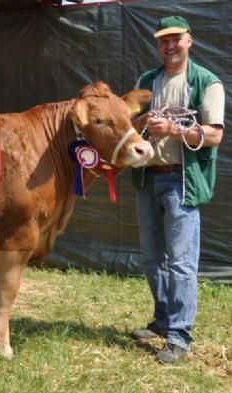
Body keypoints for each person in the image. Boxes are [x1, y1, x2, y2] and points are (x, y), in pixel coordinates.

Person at [131, 16, 225, 363]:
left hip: (181, 182)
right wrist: (145, 123)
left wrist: (171, 129)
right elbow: (131, 126)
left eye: (176, 40)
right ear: (158, 45)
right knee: (153, 257)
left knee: (182, 263)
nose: (169, 46)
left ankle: (179, 337)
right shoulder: (146, 81)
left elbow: (214, 135)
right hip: (148, 178)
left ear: (189, 41)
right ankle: (163, 320)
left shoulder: (207, 82)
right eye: (163, 41)